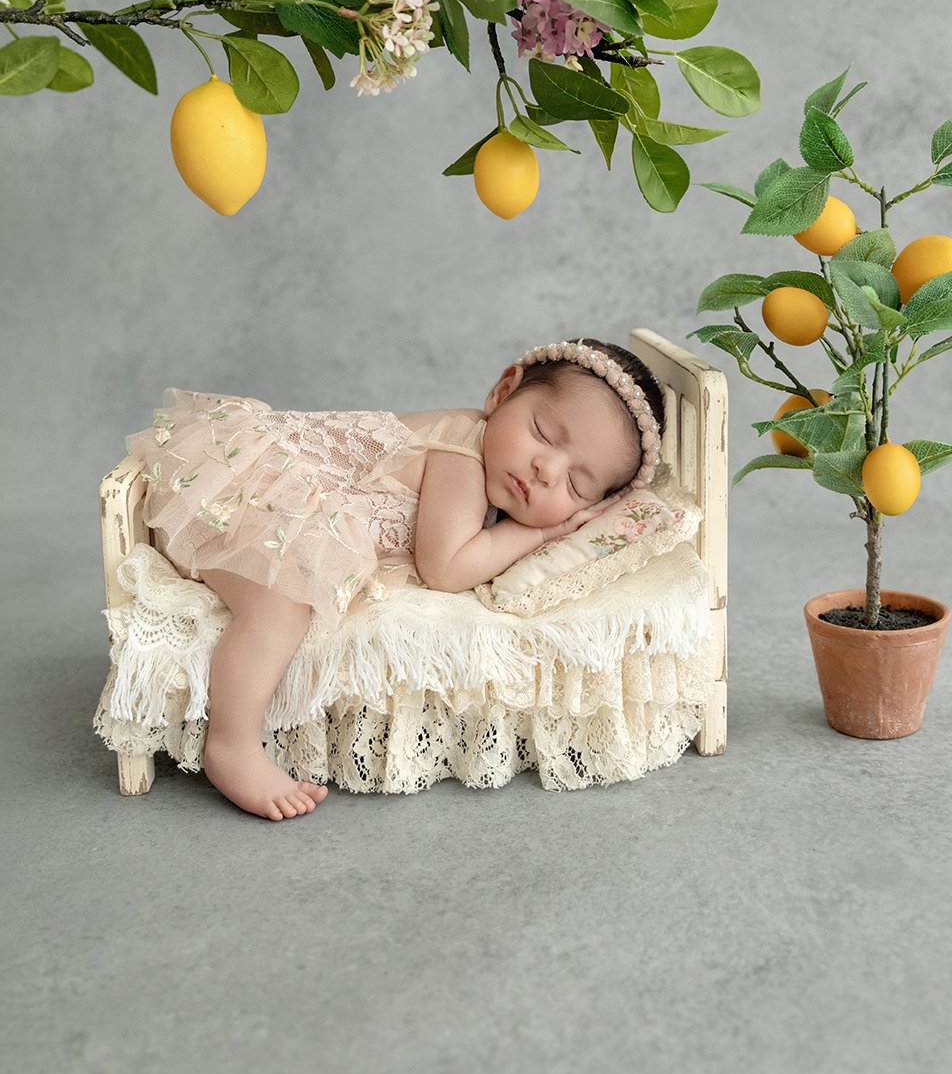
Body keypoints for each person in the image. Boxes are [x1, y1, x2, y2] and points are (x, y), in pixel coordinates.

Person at [125, 337, 665, 823]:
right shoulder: (462, 452)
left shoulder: (485, 452)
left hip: (244, 491)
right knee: (282, 603)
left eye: (576, 486)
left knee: (295, 583)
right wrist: (545, 532)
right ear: (503, 392)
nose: (547, 470)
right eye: (543, 434)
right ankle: (231, 746)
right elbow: (446, 569)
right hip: (247, 501)